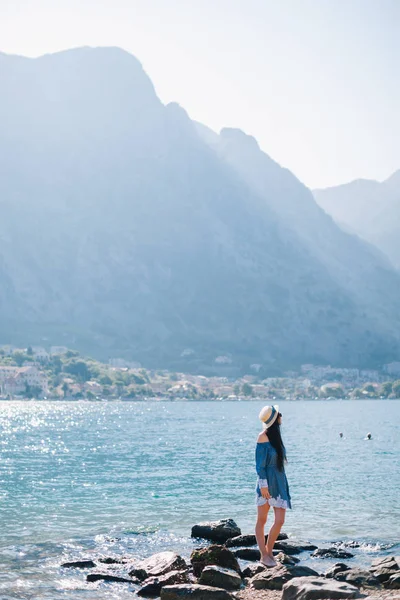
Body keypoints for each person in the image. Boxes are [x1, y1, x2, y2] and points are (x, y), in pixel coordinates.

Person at [255, 405, 291, 567]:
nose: (282, 416)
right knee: (262, 519)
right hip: (266, 483)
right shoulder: (262, 437)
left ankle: (270, 551)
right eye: (279, 414)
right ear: (275, 419)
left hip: (279, 482)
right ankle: (264, 555)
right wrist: (263, 486)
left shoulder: (277, 437)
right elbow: (260, 466)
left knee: (280, 520)